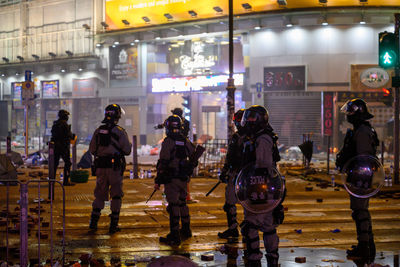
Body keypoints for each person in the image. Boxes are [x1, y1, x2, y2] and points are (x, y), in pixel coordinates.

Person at [239, 105, 283, 267]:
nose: (248, 121)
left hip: (259, 188)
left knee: (252, 225)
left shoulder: (262, 139)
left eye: (251, 118)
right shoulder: (258, 136)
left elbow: (263, 166)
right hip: (261, 187)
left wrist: (253, 185)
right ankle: (272, 258)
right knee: (267, 224)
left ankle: (255, 259)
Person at [336, 98, 379, 263]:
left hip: (361, 177)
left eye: (350, 112)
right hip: (358, 175)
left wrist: (353, 168)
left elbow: (362, 156)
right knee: (360, 211)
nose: (348, 116)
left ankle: (365, 247)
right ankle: (367, 245)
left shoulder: (362, 131)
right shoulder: (361, 130)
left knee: (360, 212)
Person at [88, 104, 132, 234]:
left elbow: (92, 149)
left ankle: (93, 223)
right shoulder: (120, 131)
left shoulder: (98, 130)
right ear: (117, 116)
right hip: (115, 168)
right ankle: (113, 225)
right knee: (116, 195)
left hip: (101, 167)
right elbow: (127, 151)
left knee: (100, 194)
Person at [154, 115, 196, 246]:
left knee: (173, 205)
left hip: (171, 178)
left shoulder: (168, 141)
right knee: (183, 203)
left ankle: (174, 234)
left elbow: (164, 161)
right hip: (183, 178)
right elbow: (194, 156)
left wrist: (158, 179)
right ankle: (186, 229)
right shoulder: (185, 140)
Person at [217, 109, 245, 239]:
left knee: (231, 202)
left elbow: (231, 157)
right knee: (246, 203)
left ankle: (234, 228)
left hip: (238, 174)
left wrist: (225, 172)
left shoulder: (238, 137)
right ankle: (245, 230)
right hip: (248, 175)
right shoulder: (257, 137)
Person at [51, 110, 75, 186]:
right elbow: (70, 135)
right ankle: (66, 181)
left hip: (55, 147)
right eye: (67, 116)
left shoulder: (55, 124)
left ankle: (52, 181)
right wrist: (73, 135)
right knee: (68, 163)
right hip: (63, 147)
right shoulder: (64, 124)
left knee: (54, 164)